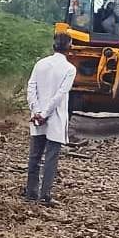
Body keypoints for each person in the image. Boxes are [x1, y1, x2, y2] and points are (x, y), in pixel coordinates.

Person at [25, 33, 77, 205]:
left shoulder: (40, 64)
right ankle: (45, 195)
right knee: (50, 158)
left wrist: (37, 111)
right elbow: (60, 95)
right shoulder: (69, 69)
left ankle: (31, 192)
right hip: (54, 117)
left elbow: (31, 88)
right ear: (69, 47)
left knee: (34, 155)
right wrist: (46, 114)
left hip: (38, 117)